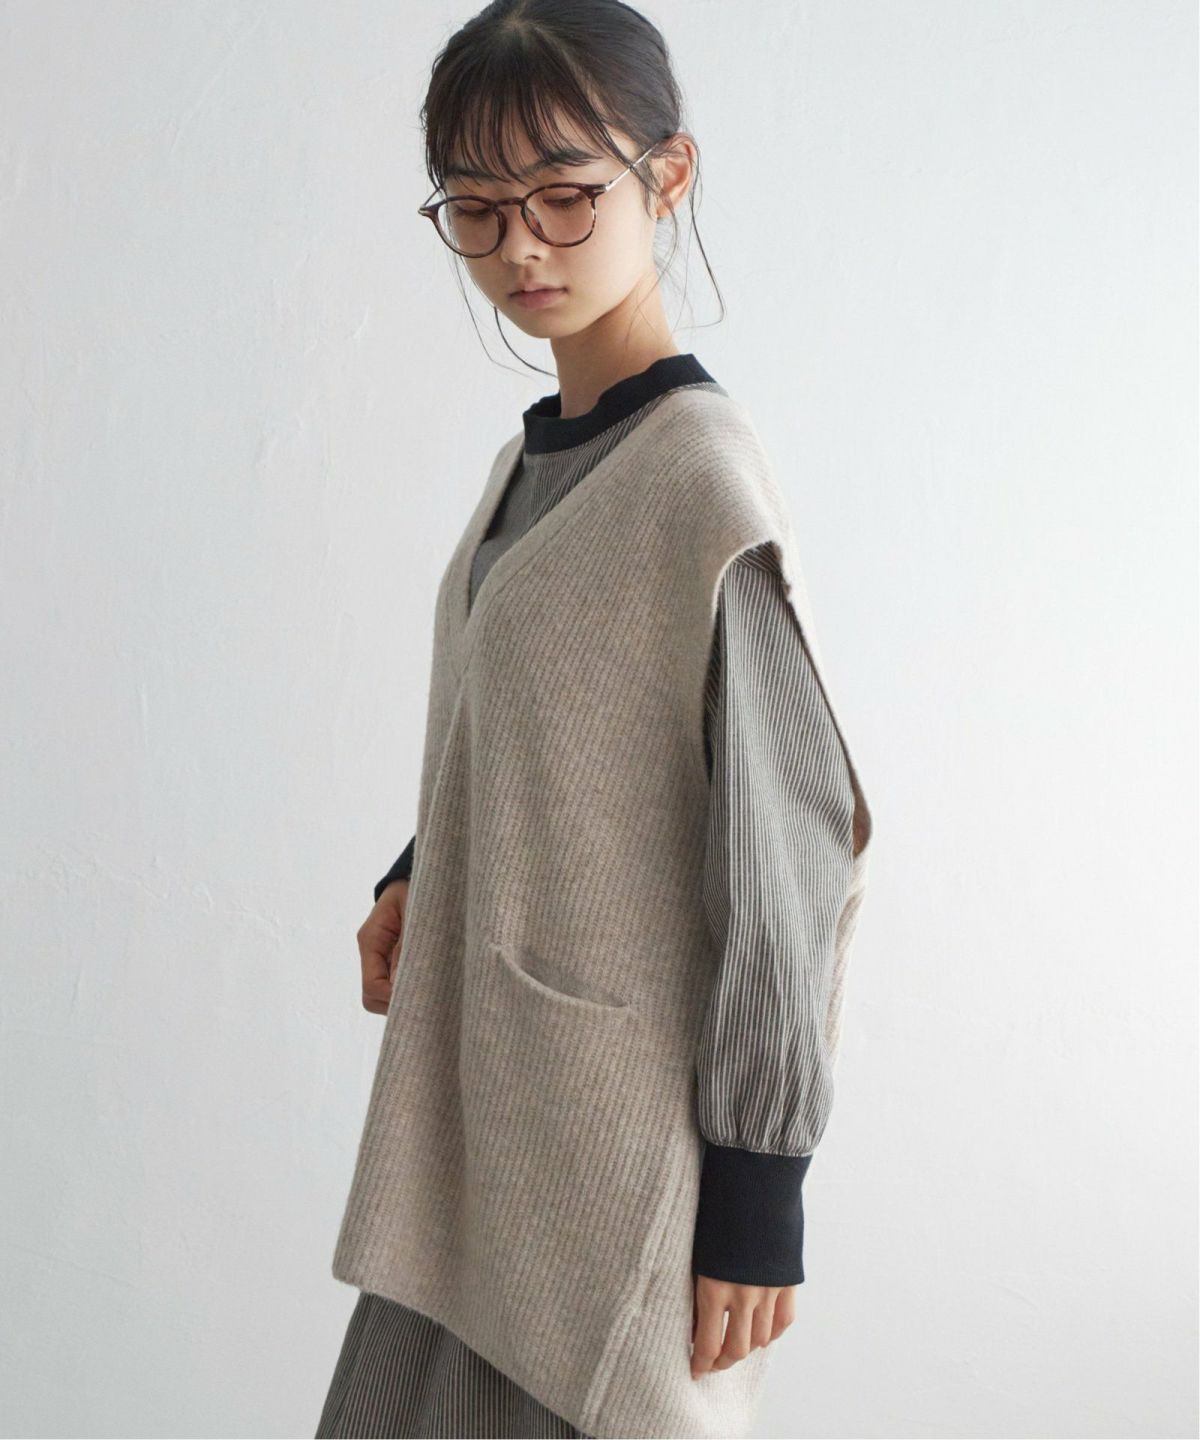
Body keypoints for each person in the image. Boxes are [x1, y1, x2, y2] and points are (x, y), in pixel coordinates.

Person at [316, 2, 874, 1436]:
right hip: (484, 1119)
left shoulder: (697, 483)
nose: (523, 248)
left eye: (567, 194)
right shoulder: (537, 461)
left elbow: (793, 845)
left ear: (665, 176)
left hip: (606, 1153)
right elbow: (564, 727)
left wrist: (758, 1191)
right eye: (479, 208)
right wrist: (425, 868)